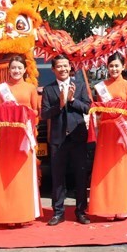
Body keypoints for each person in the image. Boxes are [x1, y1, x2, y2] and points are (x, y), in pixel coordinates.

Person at [0, 55, 41, 227]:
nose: (16, 71)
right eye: (13, 68)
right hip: (7, 138)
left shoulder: (31, 88)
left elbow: (37, 112)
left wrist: (25, 115)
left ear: (25, 70)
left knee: (23, 177)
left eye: (19, 68)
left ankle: (23, 213)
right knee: (6, 175)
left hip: (24, 138)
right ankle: (7, 214)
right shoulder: (2, 89)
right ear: (9, 70)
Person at [88, 52, 127, 220]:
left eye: (117, 65)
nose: (114, 69)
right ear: (107, 67)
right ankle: (106, 207)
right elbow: (99, 110)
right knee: (105, 169)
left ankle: (122, 207)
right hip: (106, 132)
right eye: (111, 66)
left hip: (122, 131)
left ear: (123, 66)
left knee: (121, 169)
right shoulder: (101, 86)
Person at [41, 54, 92, 226]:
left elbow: (88, 108)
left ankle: (81, 211)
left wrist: (72, 100)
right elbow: (45, 113)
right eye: (59, 66)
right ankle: (58, 212)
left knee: (80, 176)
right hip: (58, 138)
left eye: (66, 66)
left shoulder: (80, 86)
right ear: (53, 70)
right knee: (57, 177)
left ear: (70, 67)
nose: (63, 69)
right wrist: (60, 105)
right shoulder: (49, 89)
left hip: (77, 137)